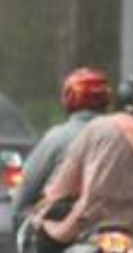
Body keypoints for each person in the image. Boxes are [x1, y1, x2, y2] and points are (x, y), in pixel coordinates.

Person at [36, 75, 133, 253]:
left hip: (91, 216)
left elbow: (69, 172)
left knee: (44, 235)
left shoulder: (100, 127)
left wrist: (51, 198)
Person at [12, 67, 111, 227]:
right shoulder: (123, 134)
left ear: (70, 97)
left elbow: (28, 184)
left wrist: (18, 209)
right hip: (115, 223)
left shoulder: (57, 136)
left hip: (66, 227)